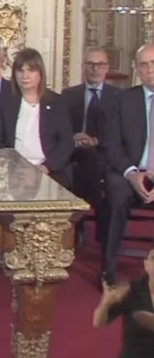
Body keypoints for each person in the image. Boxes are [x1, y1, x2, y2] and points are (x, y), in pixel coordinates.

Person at [102, 43, 154, 285]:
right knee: (116, 194)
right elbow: (111, 146)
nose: (150, 69)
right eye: (144, 65)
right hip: (128, 172)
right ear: (136, 69)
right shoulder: (121, 100)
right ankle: (108, 268)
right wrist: (133, 175)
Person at [0, 48, 73, 189]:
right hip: (13, 168)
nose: (25, 76)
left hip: (49, 169)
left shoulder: (56, 102)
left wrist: (45, 168)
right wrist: (13, 165)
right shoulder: (6, 101)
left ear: (40, 73)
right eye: (20, 70)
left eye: (31, 70)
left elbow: (66, 143)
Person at [62, 46, 117, 246]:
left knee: (93, 164)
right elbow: (59, 127)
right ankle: (94, 224)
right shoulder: (68, 95)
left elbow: (119, 133)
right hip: (74, 151)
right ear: (84, 66)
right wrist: (73, 137)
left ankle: (80, 224)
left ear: (107, 67)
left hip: (104, 153)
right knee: (82, 165)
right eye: (91, 64)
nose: (95, 69)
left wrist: (95, 141)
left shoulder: (118, 97)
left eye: (100, 64)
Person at [93, 244, 154, 357]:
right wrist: (106, 302)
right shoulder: (130, 289)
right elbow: (98, 322)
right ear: (146, 265)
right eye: (153, 259)